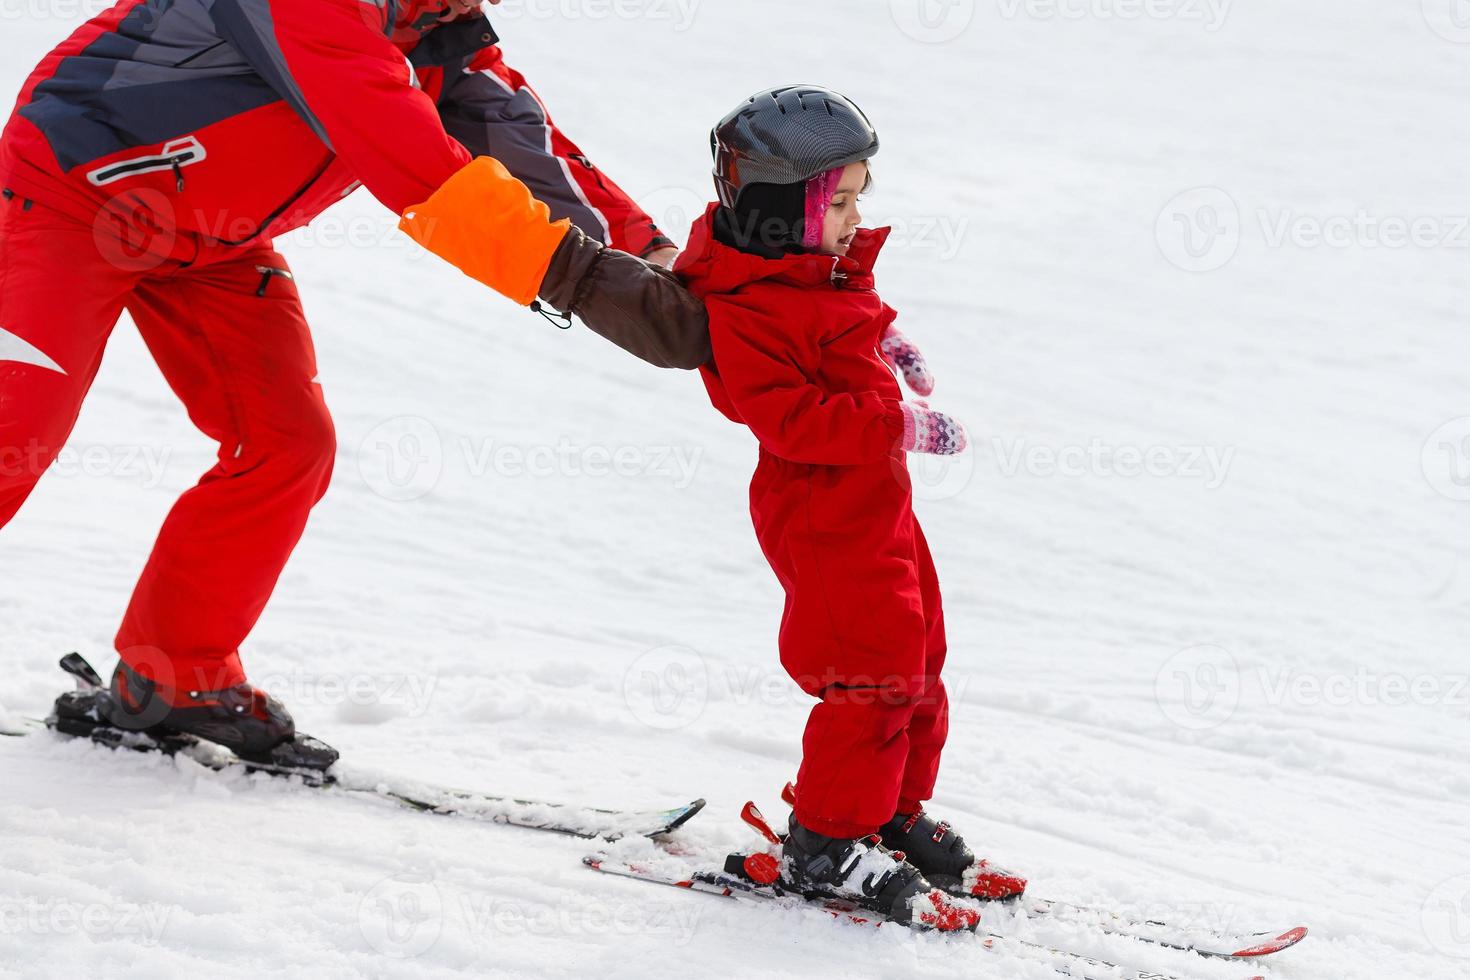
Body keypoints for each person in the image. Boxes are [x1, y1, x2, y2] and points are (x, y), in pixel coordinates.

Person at [0, 0, 708, 767]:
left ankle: (176, 679)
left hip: (212, 242)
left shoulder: (442, 37)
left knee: (287, 446)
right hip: (69, 197)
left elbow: (530, 152)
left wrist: (657, 259)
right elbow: (418, 166)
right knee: (16, 432)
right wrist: (589, 285)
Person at [674, 85, 1025, 927]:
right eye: (841, 200)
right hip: (819, 507)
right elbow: (789, 417)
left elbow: (835, 320)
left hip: (875, 499)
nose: (853, 215)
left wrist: (884, 342)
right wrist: (897, 421)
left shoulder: (807, 270)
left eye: (860, 195)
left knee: (921, 653)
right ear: (778, 207)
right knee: (871, 670)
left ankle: (888, 816)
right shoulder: (745, 305)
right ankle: (827, 842)